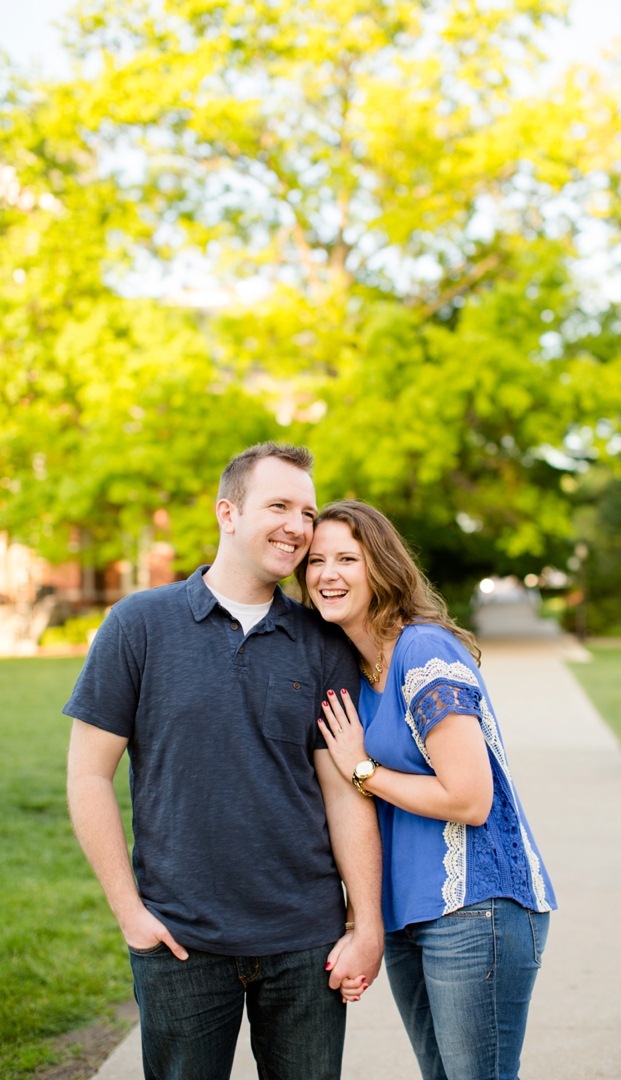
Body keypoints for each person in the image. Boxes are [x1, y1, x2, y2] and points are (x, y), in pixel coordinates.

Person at [64, 442, 381, 1080]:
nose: (298, 525)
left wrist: (365, 922)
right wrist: (131, 914)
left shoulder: (321, 642)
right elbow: (88, 774)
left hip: (304, 943)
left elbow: (345, 790)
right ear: (227, 514)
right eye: (279, 505)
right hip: (181, 942)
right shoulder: (138, 626)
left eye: (308, 511)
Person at [301, 500, 556, 1080]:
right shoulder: (355, 671)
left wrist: (363, 770)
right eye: (316, 561)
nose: (327, 574)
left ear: (382, 567)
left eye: (347, 558)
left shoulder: (423, 650)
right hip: (405, 914)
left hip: (477, 907)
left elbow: (471, 799)